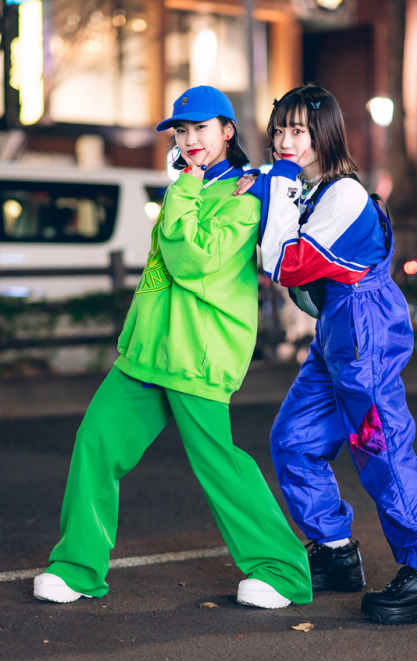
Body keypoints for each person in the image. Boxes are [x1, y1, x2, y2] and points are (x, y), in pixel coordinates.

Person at [33, 85, 312, 610]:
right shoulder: (196, 183)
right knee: (96, 441)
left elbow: (194, 262)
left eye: (201, 129)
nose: (189, 140)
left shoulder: (249, 193)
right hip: (147, 351)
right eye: (181, 131)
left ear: (227, 132)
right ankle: (77, 567)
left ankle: (283, 571)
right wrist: (187, 185)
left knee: (218, 464)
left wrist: (183, 185)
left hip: (197, 354)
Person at [240, 84, 417, 624]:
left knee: (379, 447)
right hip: (338, 332)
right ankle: (334, 552)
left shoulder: (342, 196)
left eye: (299, 130)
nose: (286, 141)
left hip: (365, 331)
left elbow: (285, 264)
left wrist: (279, 182)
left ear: (323, 133)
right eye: (280, 130)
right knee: (294, 440)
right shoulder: (309, 187)